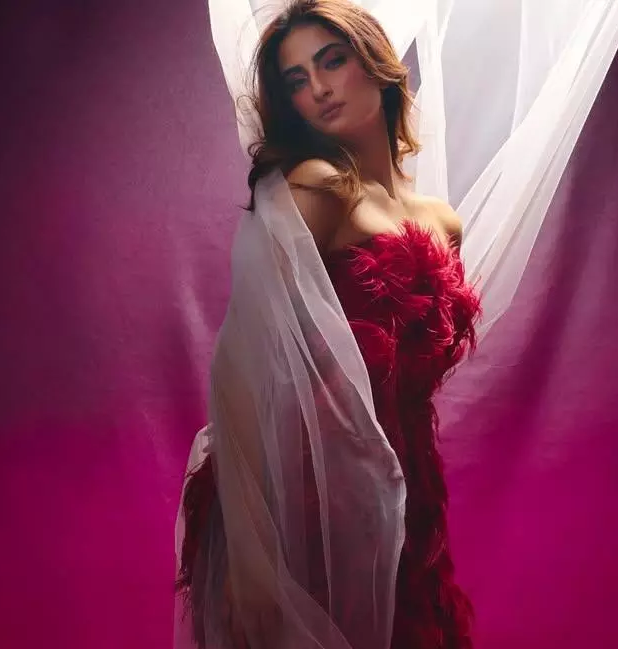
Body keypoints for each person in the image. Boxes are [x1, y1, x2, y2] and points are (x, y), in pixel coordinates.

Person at [177, 1, 479, 648]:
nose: (317, 87)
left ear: (374, 62)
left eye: (332, 61)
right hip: (301, 491)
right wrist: (253, 556)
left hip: (405, 489)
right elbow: (242, 368)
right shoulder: (317, 188)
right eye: (296, 79)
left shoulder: (442, 221)